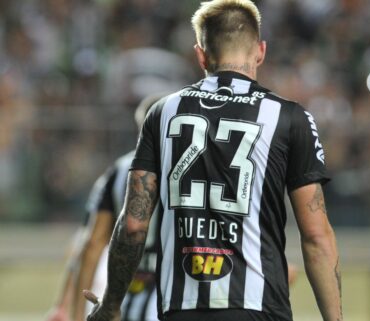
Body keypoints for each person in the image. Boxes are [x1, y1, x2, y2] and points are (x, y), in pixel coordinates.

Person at [85, 1, 342, 321]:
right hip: (259, 309)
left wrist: (110, 306)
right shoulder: (290, 118)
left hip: (182, 308)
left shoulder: (163, 112)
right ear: (260, 51)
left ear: (201, 55)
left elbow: (134, 224)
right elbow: (316, 237)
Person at [45, 94, 164, 321]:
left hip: (128, 293)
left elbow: (91, 243)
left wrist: (73, 313)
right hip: (178, 294)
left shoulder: (119, 170)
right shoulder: (193, 167)